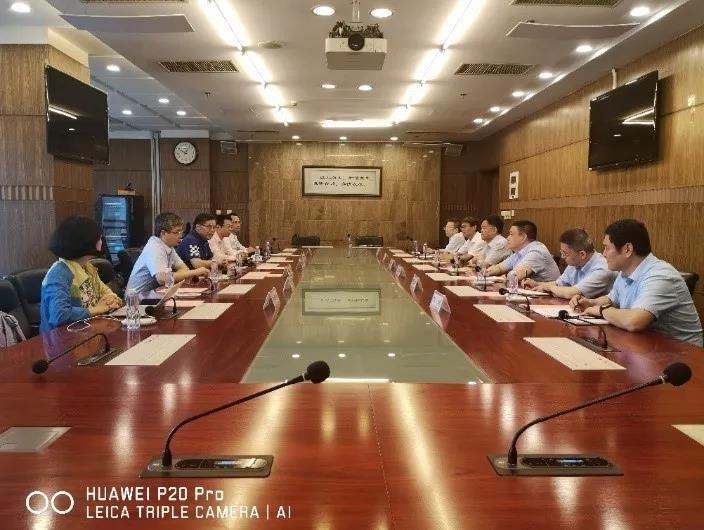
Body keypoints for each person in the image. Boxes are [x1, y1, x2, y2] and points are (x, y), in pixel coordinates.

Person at [571, 219, 702, 346]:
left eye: (607, 248)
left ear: (627, 249)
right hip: (645, 345)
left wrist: (601, 310)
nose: (604, 254)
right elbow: (612, 299)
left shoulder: (661, 276)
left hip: (683, 354)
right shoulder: (625, 271)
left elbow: (634, 321)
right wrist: (591, 303)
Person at [40, 216, 122, 333]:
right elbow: (58, 315)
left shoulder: (87, 267)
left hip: (90, 333)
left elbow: (106, 293)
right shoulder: (58, 274)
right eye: (99, 237)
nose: (101, 240)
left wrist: (111, 300)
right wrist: (96, 309)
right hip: (63, 340)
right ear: (86, 242)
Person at [127, 212, 209, 298]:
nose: (180, 236)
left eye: (181, 231)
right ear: (163, 233)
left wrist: (171, 276)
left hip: (156, 295)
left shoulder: (168, 246)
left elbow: (184, 269)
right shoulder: (155, 247)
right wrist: (195, 272)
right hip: (137, 300)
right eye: (176, 232)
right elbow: (162, 279)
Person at [524, 228, 616, 299]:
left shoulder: (603, 269)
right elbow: (559, 284)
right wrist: (537, 284)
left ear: (582, 254)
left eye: (565, 253)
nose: (562, 257)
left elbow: (572, 293)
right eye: (561, 252)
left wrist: (548, 288)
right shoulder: (575, 263)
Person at [486, 220, 560, 282]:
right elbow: (500, 268)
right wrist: (486, 272)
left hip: (547, 294)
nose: (507, 238)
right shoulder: (519, 252)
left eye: (511, 234)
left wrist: (502, 277)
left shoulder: (537, 252)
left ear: (523, 237)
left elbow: (515, 275)